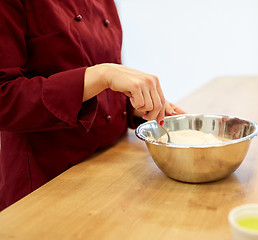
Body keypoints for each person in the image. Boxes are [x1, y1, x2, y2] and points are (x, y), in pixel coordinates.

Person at [0, 0, 185, 210]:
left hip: (113, 170)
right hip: (46, 185)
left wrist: (137, 104)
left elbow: (100, 79)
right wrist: (102, 75)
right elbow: (4, 97)